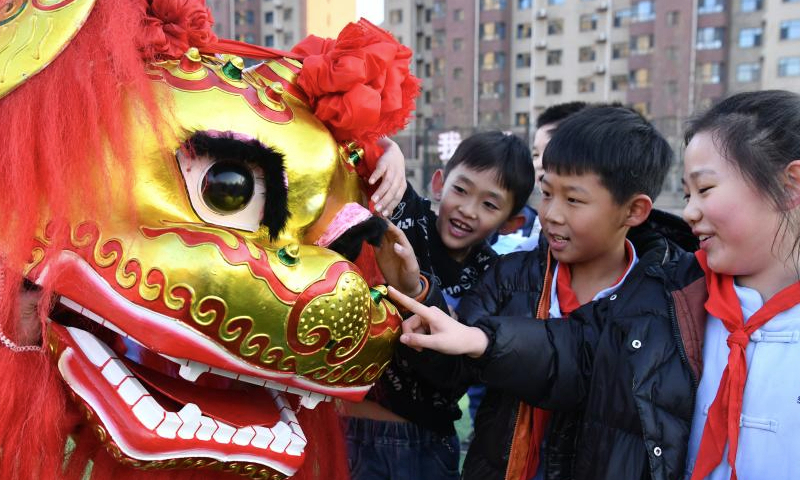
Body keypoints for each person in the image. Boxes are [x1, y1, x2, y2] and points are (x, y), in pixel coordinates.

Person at [388, 104, 703, 480]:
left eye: (573, 199)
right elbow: (453, 373)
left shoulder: (670, 298)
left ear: (634, 211)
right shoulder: (510, 277)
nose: (551, 214)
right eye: (548, 193)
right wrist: (421, 297)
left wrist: (480, 340)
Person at [346, 131, 536, 480]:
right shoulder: (407, 217)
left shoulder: (496, 277)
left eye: (490, 204)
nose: (467, 209)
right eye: (461, 190)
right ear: (439, 184)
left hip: (423, 447)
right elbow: (359, 141)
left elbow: (456, 373)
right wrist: (391, 151)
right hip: (346, 427)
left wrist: (416, 289)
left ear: (512, 222)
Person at [682, 90, 800, 479]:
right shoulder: (674, 303)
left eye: (705, 189)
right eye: (686, 194)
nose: (688, 211)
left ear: (790, 186)